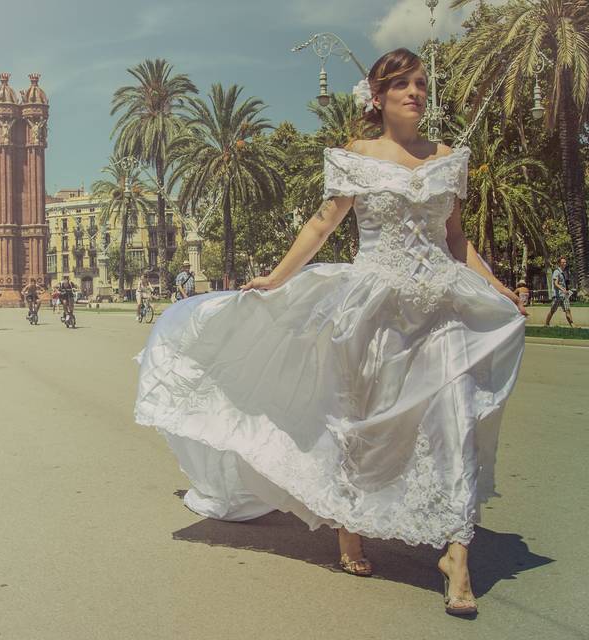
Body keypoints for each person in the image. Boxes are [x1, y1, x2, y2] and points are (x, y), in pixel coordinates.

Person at [134, 48, 527, 618]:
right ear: (379, 97)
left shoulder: (449, 158)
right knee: (361, 419)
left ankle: (457, 555)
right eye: (403, 85)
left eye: (420, 83)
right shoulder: (355, 158)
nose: (416, 92)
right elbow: (323, 223)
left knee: (455, 421)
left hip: (441, 306)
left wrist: (499, 285)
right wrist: (276, 276)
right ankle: (349, 526)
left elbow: (457, 239)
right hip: (374, 309)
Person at [544, 257, 575, 327]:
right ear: (559, 263)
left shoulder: (564, 272)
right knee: (552, 311)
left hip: (564, 295)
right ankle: (546, 324)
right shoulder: (556, 272)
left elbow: (564, 283)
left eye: (565, 262)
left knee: (567, 310)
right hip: (557, 295)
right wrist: (563, 289)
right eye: (563, 262)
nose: (565, 263)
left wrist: (567, 290)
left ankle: (573, 325)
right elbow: (556, 283)